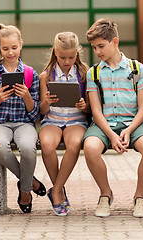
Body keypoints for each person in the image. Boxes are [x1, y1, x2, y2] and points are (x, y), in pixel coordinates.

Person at [83, 19, 143, 218]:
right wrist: (112, 135)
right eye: (94, 47)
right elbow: (96, 111)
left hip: (132, 123)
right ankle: (105, 195)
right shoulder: (94, 73)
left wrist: (128, 131)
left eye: (101, 46)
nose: (97, 51)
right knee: (90, 148)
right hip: (103, 124)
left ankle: (140, 198)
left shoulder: (136, 69)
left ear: (115, 41)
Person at [0, 24, 46, 214]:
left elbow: (34, 114)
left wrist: (27, 97)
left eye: (14, 47)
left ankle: (24, 190)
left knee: (28, 148)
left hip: (24, 124)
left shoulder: (30, 74)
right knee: (0, 148)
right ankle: (30, 183)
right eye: (5, 48)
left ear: (21, 45)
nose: (10, 52)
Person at [39, 32, 90, 216]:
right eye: (62, 57)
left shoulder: (84, 73)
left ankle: (56, 190)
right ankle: (59, 191)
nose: (67, 61)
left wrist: (85, 105)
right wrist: (46, 101)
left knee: (75, 143)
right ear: (55, 52)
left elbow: (91, 107)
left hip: (76, 120)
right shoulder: (46, 76)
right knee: (46, 144)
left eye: (71, 57)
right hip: (52, 120)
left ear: (77, 53)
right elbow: (43, 110)